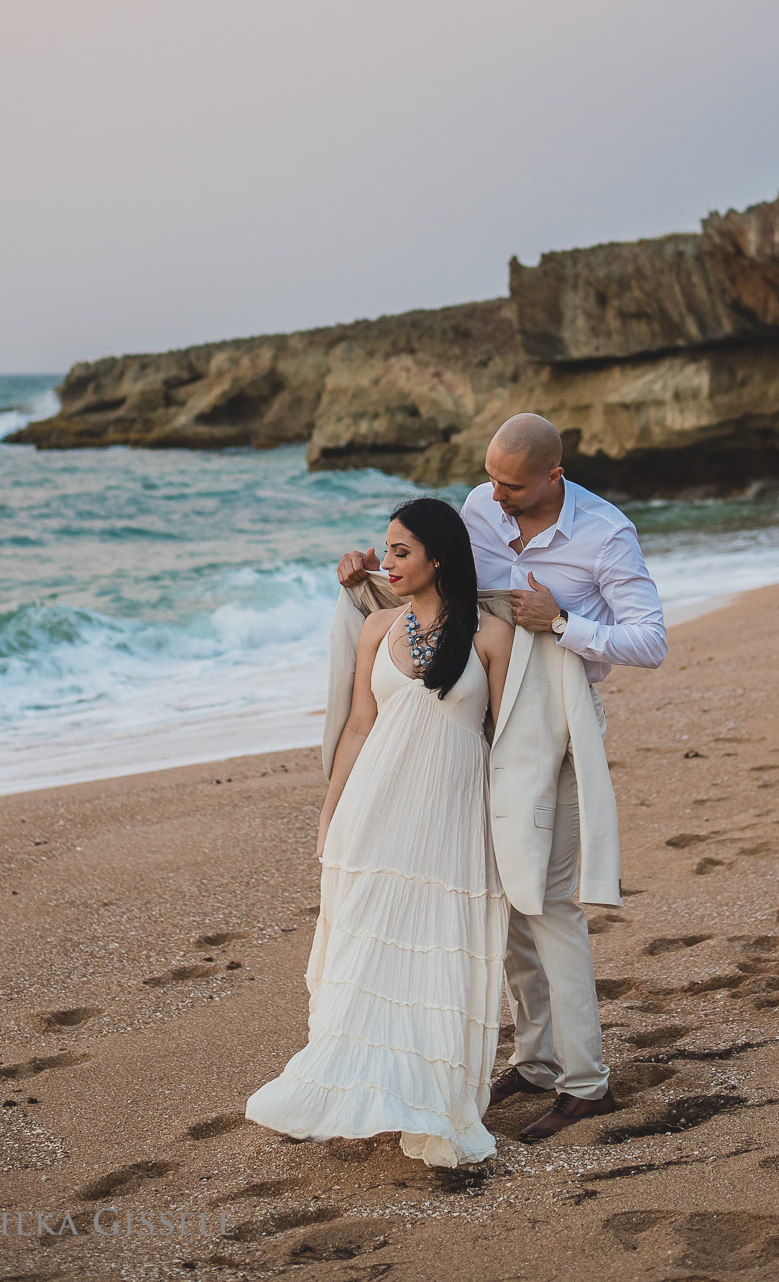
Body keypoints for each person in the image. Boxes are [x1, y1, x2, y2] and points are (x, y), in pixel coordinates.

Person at [337, 413, 666, 1142]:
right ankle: (538, 1059)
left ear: (555, 475)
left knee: (547, 906)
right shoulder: (482, 506)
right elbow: (441, 595)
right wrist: (374, 575)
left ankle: (587, 1085)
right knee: (504, 907)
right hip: (475, 728)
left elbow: (651, 640)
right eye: (489, 478)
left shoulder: (605, 534)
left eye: (511, 484)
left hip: (551, 734)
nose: (493, 494)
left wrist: (564, 620)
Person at [246, 497, 514, 1168]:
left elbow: (506, 739)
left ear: (439, 559)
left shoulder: (489, 637)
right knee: (363, 951)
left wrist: (514, 830)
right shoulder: (378, 630)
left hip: (452, 819)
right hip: (374, 809)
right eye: (387, 550)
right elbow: (360, 725)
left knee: (437, 951)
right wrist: (330, 811)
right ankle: (355, 1089)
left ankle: (425, 1098)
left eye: (402, 551)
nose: (388, 561)